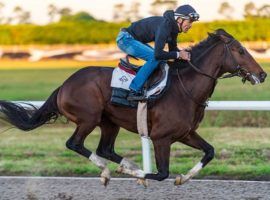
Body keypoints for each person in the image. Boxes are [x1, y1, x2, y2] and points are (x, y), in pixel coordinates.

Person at [116, 4, 200, 101]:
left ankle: (147, 84)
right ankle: (134, 90)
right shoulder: (165, 26)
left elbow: (173, 51)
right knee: (155, 58)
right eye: (190, 22)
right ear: (180, 19)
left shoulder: (174, 30)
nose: (190, 26)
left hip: (134, 40)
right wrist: (179, 54)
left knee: (161, 60)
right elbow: (158, 54)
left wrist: (185, 54)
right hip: (125, 39)